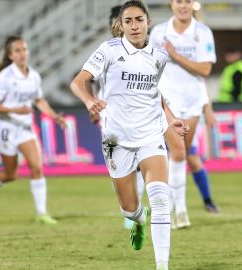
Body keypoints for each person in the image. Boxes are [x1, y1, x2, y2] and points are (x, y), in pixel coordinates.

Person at [69, 1, 188, 269]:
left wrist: (171, 119)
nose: (134, 26)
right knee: (129, 208)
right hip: (116, 139)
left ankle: (162, 265)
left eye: (139, 20)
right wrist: (89, 102)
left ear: (148, 22)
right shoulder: (109, 50)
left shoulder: (159, 55)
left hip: (150, 134)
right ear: (120, 26)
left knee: (160, 197)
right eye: (128, 21)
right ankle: (138, 220)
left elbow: (154, 93)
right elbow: (77, 82)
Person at [0, 35, 66, 225]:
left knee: (37, 167)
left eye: (24, 49)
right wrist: (15, 109)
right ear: (10, 56)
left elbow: (39, 100)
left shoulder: (34, 76)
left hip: (25, 127)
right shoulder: (5, 77)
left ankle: (41, 213)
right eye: (17, 51)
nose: (22, 53)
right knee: (10, 175)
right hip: (5, 127)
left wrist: (53, 116)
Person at [149, 0, 219, 229]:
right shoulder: (159, 32)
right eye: (179, 1)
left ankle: (168, 205)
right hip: (167, 102)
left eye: (188, 1)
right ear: (171, 4)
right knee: (178, 151)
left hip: (192, 102)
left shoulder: (203, 33)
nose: (183, 6)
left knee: (182, 152)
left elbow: (205, 69)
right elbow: (149, 67)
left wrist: (176, 56)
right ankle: (180, 211)